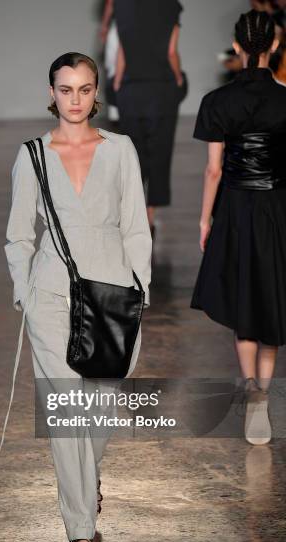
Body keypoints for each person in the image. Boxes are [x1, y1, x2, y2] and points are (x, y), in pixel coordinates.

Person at [1, 52, 152, 542]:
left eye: (84, 89)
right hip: (51, 298)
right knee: (67, 413)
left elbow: (135, 226)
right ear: (51, 93)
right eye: (65, 90)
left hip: (112, 297)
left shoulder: (121, 150)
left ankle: (88, 481)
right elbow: (19, 235)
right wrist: (26, 291)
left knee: (101, 409)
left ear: (95, 93)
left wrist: (142, 292)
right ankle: (79, 528)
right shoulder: (33, 156)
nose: (75, 99)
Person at [190, 10, 286, 446]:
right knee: (272, 297)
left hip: (235, 208)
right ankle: (262, 394)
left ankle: (251, 391)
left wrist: (205, 218)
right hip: (278, 208)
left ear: (236, 47)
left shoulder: (217, 101)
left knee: (246, 299)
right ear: (274, 46)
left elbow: (213, 170)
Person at [112, 0, 186, 238]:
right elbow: (171, 52)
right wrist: (178, 78)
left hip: (131, 89)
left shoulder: (122, 6)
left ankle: (131, 217)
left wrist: (118, 83)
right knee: (159, 153)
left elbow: (121, 50)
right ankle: (149, 217)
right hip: (161, 90)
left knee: (132, 155)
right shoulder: (170, 6)